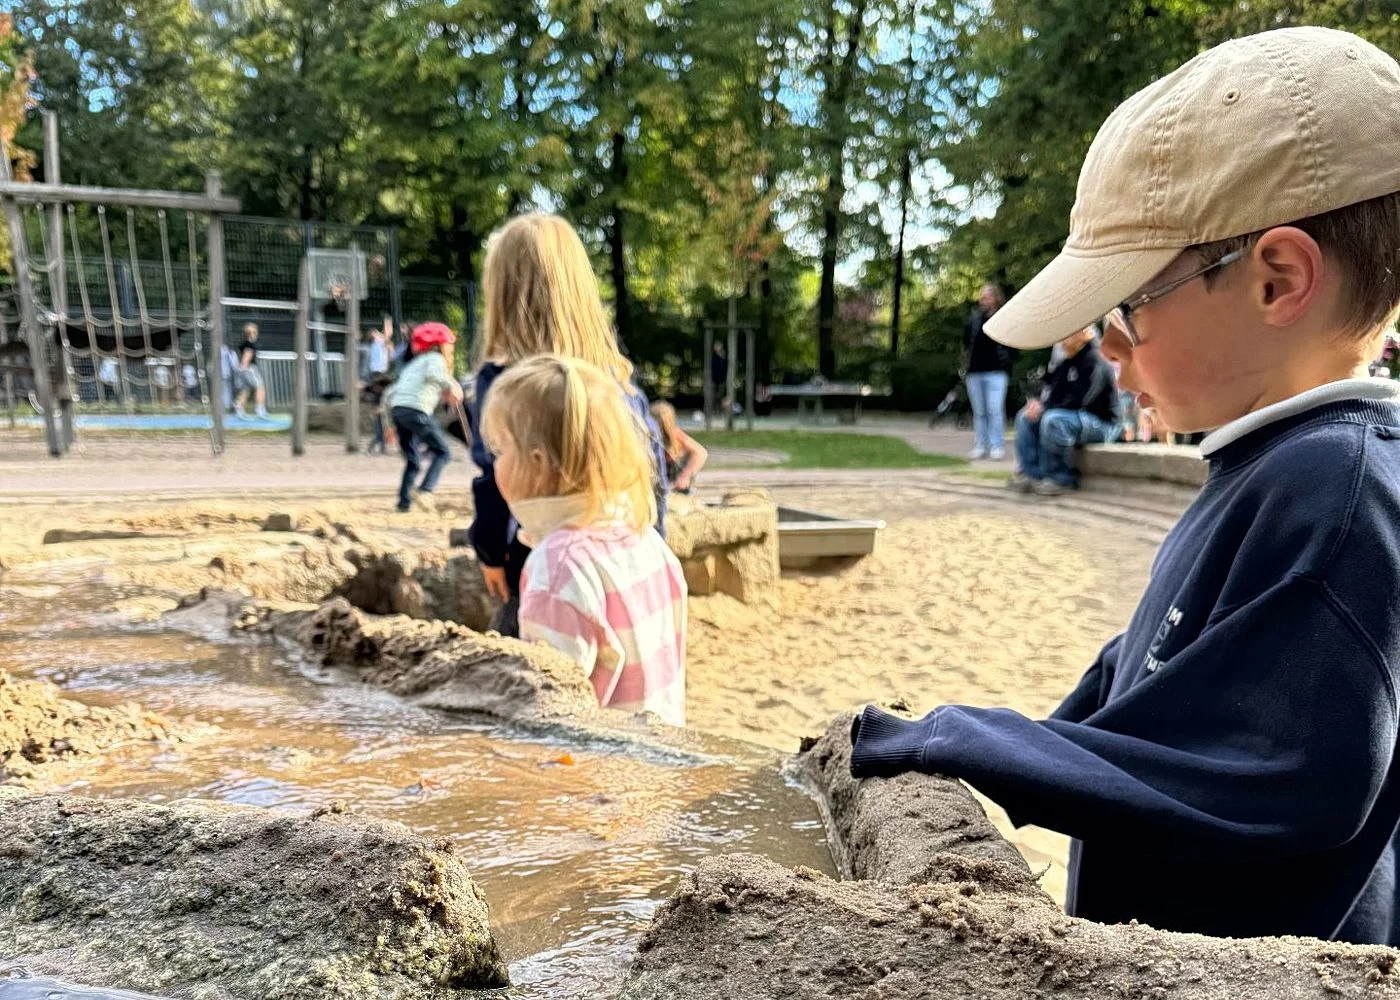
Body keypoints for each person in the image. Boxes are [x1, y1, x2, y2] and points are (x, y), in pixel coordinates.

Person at [849, 27, 1400, 945]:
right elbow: (1155, 666)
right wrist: (1037, 740)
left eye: (1126, 309)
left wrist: (967, 737)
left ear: (1277, 281)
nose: (1106, 347)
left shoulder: (1338, 492)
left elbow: (1285, 776)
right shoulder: (1275, 462)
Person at [465, 212, 669, 638]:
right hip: (628, 552)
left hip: (543, 556)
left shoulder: (507, 384)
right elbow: (652, 475)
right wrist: (652, 547)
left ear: (500, 292)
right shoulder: (616, 378)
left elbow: (493, 479)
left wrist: (490, 553)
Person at [482, 354, 686, 725]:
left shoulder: (557, 567)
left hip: (594, 770)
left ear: (537, 462)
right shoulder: (642, 536)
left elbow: (546, 710)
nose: (493, 464)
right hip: (657, 758)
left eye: (500, 450)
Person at [1009, 324, 1121, 495]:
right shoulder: (1067, 362)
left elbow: (1083, 400)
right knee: (1024, 417)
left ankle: (1060, 479)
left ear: (1084, 334)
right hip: (1074, 417)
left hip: (1103, 424)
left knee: (1054, 420)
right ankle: (1032, 475)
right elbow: (1052, 395)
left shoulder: (1095, 359)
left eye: (1068, 334)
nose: (1061, 339)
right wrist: (1037, 405)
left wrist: (1045, 409)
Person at [385, 322, 463, 512]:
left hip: (398, 411)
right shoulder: (436, 359)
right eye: (449, 345)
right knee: (443, 452)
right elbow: (435, 375)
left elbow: (390, 394)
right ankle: (425, 489)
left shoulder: (412, 365)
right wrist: (451, 386)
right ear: (440, 345)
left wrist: (389, 424)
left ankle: (403, 503)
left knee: (413, 459)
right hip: (416, 410)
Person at [963, 283, 1016, 460]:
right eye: (982, 297)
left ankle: (996, 445)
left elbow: (1012, 346)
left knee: (994, 409)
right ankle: (981, 445)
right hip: (975, 372)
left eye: (987, 296)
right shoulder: (974, 320)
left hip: (996, 372)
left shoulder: (1004, 319)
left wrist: (1007, 362)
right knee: (979, 411)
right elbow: (966, 343)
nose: (983, 300)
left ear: (995, 298)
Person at [650, 401, 708, 494]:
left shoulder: (676, 435)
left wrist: (685, 477)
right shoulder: (648, 436)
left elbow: (700, 453)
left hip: (676, 482)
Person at [234, 323, 269, 420]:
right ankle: (260, 409)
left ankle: (239, 410)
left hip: (243, 368)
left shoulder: (244, 343)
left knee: (245, 390)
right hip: (250, 368)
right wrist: (244, 366)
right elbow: (247, 355)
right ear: (252, 333)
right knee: (260, 387)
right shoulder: (250, 344)